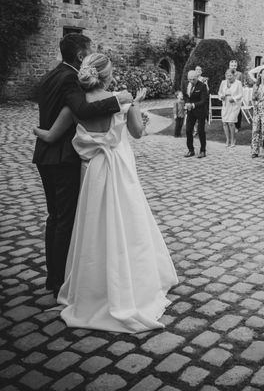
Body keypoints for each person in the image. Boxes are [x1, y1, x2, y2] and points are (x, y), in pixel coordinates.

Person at [33, 53, 177, 332]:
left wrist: (36, 130)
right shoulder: (122, 100)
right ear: (107, 76)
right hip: (120, 170)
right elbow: (137, 134)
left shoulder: (74, 105)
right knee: (127, 222)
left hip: (93, 173)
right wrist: (138, 107)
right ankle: (131, 283)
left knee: (93, 228)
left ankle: (93, 287)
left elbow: (51, 135)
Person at [32, 34, 131, 298]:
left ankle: (54, 275)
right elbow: (83, 110)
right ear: (79, 56)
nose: (91, 54)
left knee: (54, 217)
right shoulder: (69, 79)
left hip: (45, 155)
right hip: (63, 157)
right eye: (90, 50)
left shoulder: (49, 76)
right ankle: (60, 280)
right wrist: (120, 100)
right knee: (66, 219)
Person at [183, 69, 209, 157]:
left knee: (201, 130)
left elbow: (203, 100)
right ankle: (191, 150)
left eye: (193, 79)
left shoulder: (202, 86)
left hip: (201, 111)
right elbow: (185, 95)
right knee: (188, 130)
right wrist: (187, 103)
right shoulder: (186, 84)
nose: (191, 81)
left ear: (197, 78)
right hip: (190, 111)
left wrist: (193, 105)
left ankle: (203, 151)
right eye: (189, 79)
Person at [218, 69, 243, 147]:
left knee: (231, 122)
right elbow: (220, 92)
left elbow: (241, 94)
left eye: (230, 76)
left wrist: (234, 99)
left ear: (234, 75)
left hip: (234, 105)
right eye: (227, 75)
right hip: (225, 103)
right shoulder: (223, 82)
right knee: (225, 122)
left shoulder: (238, 83)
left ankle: (233, 140)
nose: (228, 77)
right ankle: (227, 139)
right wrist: (221, 97)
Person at [250, 68, 264, 158]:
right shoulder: (256, 85)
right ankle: (255, 150)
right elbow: (253, 97)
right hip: (257, 108)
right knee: (255, 129)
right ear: (260, 75)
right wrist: (254, 104)